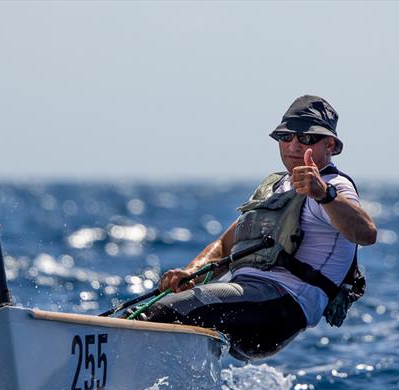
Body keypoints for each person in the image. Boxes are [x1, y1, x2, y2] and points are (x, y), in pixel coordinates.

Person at [138, 95, 377, 360]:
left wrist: (324, 194)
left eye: (306, 138)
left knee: (164, 312)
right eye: (286, 136)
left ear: (329, 144)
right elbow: (224, 246)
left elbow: (366, 233)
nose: (294, 145)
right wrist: (191, 273)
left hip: (282, 307)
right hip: (247, 302)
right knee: (154, 315)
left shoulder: (334, 186)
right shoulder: (275, 186)